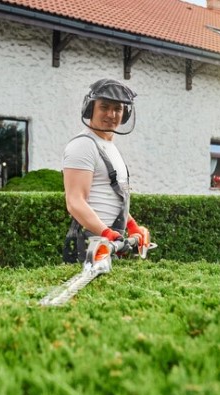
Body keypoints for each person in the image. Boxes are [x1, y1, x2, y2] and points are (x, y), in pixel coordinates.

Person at [62, 78, 150, 263]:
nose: (111, 114)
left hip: (109, 244)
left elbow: (114, 197)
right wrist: (107, 233)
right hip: (90, 244)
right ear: (90, 108)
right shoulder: (83, 145)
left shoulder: (109, 147)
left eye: (117, 109)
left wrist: (132, 226)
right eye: (104, 107)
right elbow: (74, 201)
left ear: (124, 114)